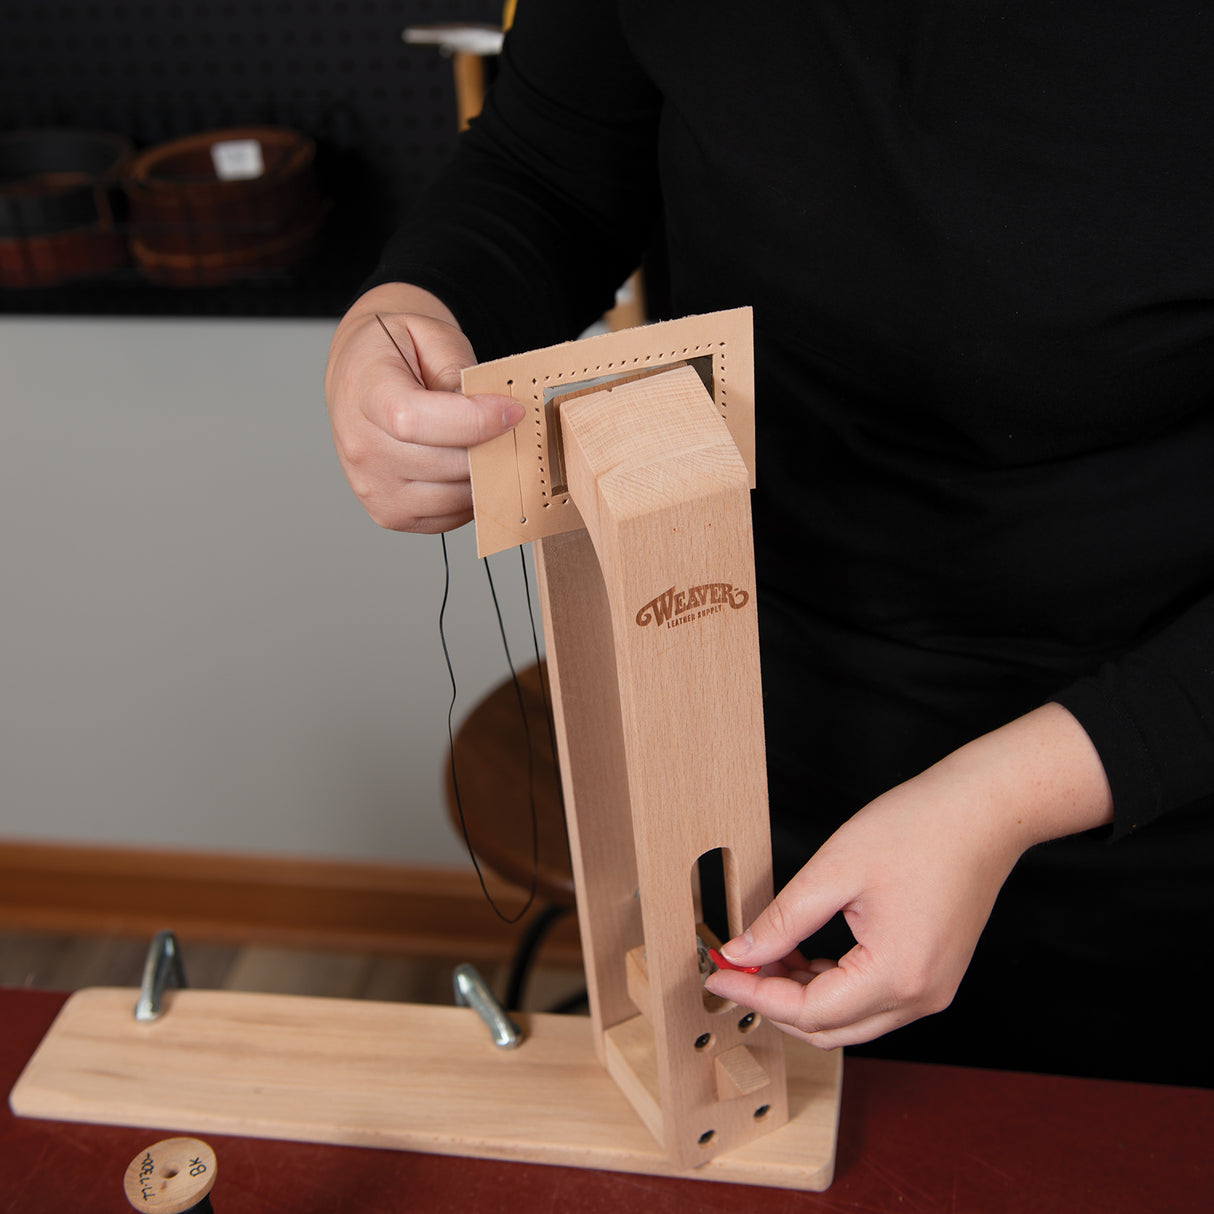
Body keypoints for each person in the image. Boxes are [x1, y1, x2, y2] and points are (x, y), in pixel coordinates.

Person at [326, 1, 1214, 1087]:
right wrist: (411, 308)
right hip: (753, 687)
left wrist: (1012, 798)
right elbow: (548, 166)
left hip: (1158, 760)